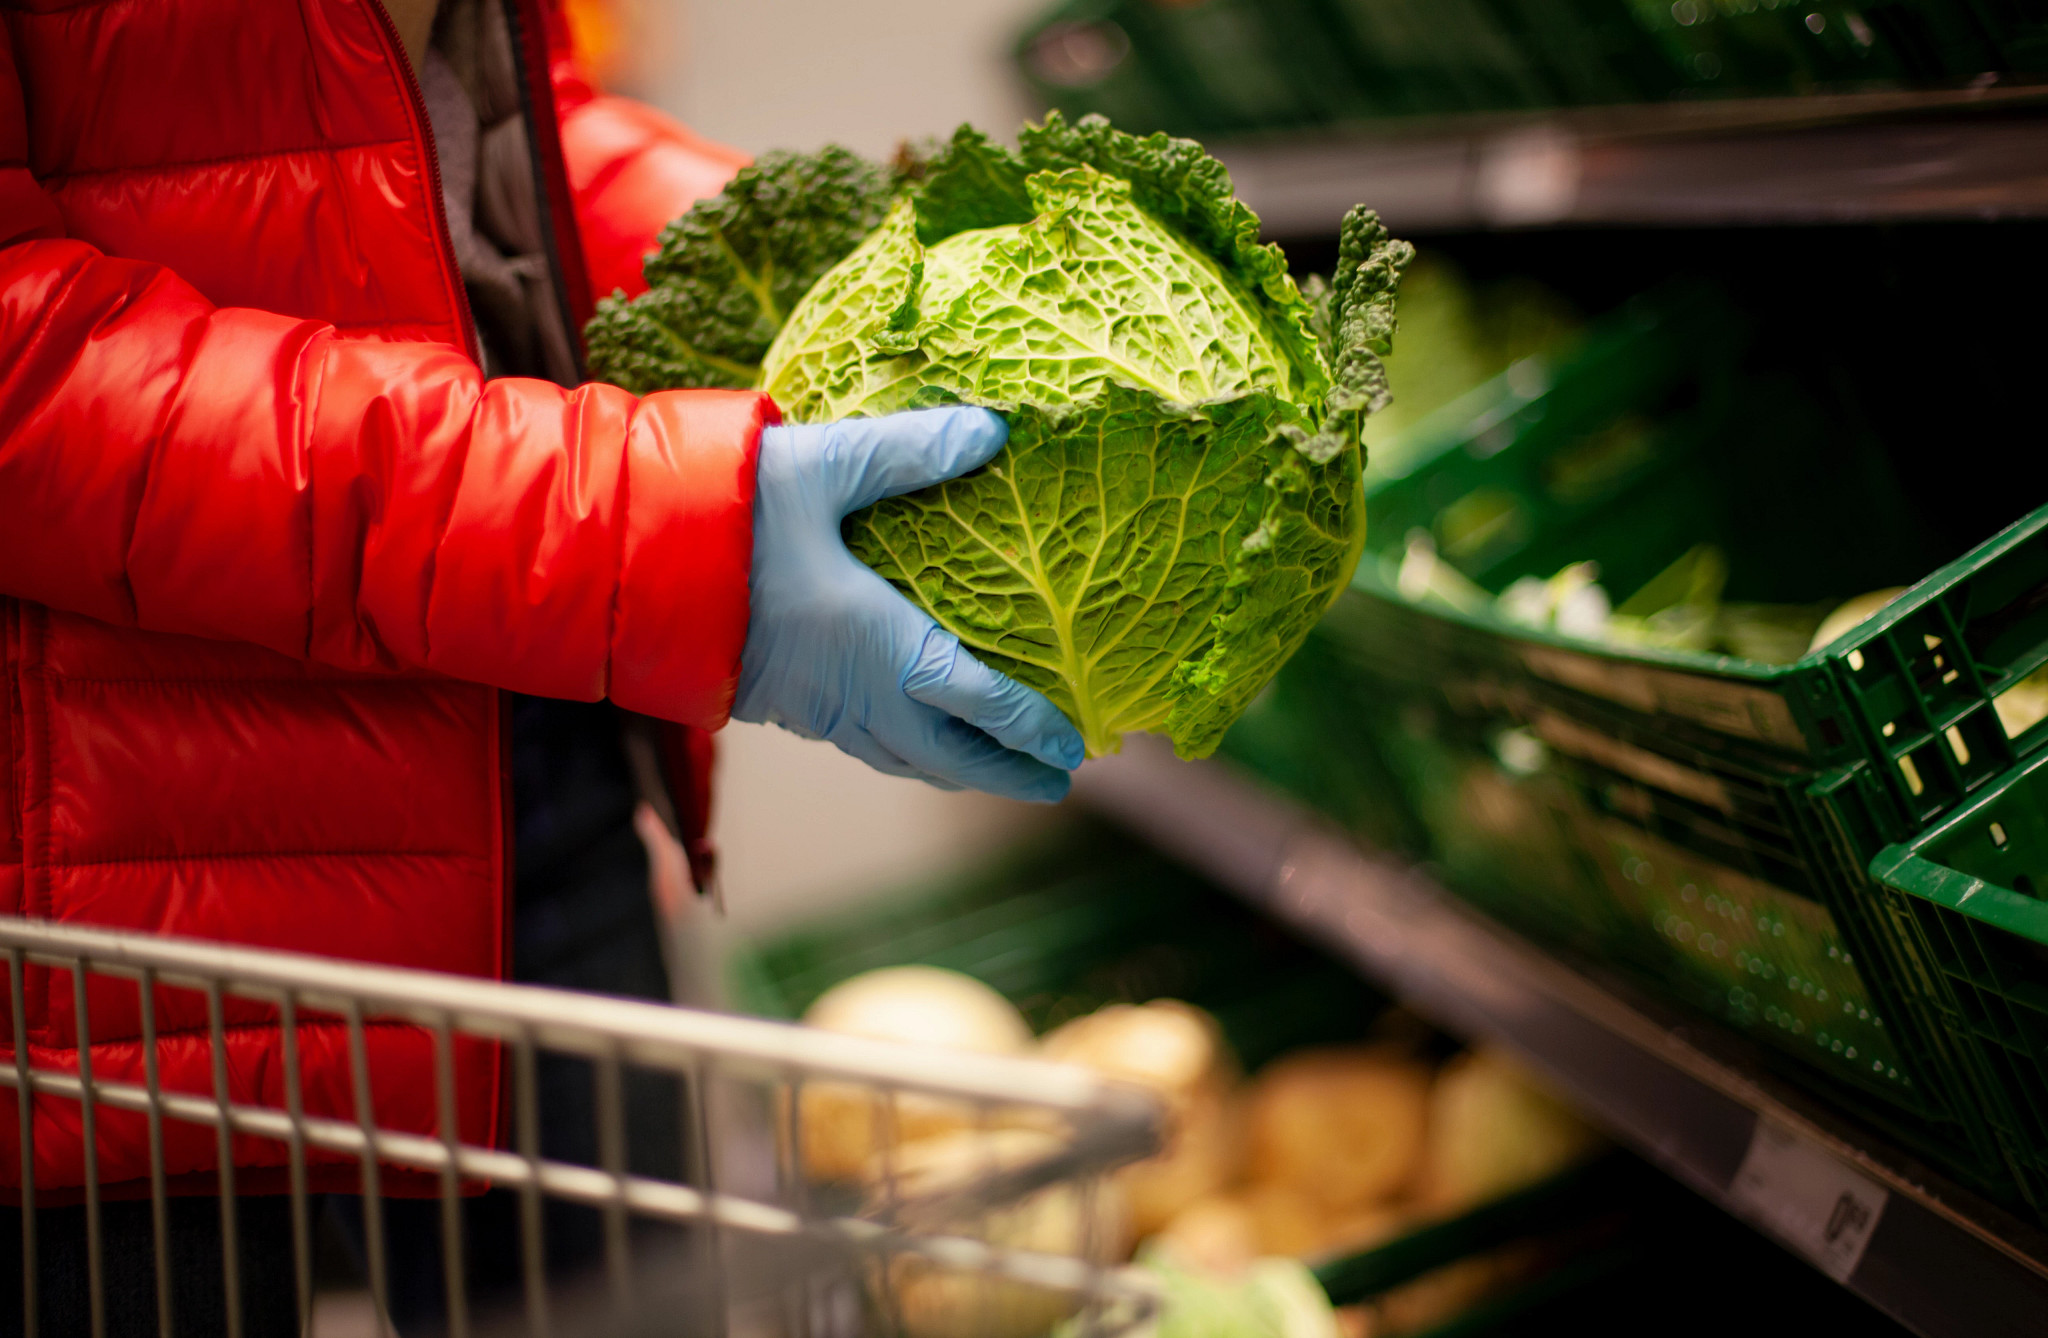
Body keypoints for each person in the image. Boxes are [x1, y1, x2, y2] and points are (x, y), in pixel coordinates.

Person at [0, 0, 1085, 1329]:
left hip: (516, 728)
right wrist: (644, 534)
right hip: (112, 875)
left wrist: (840, 277)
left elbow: (467, 130)